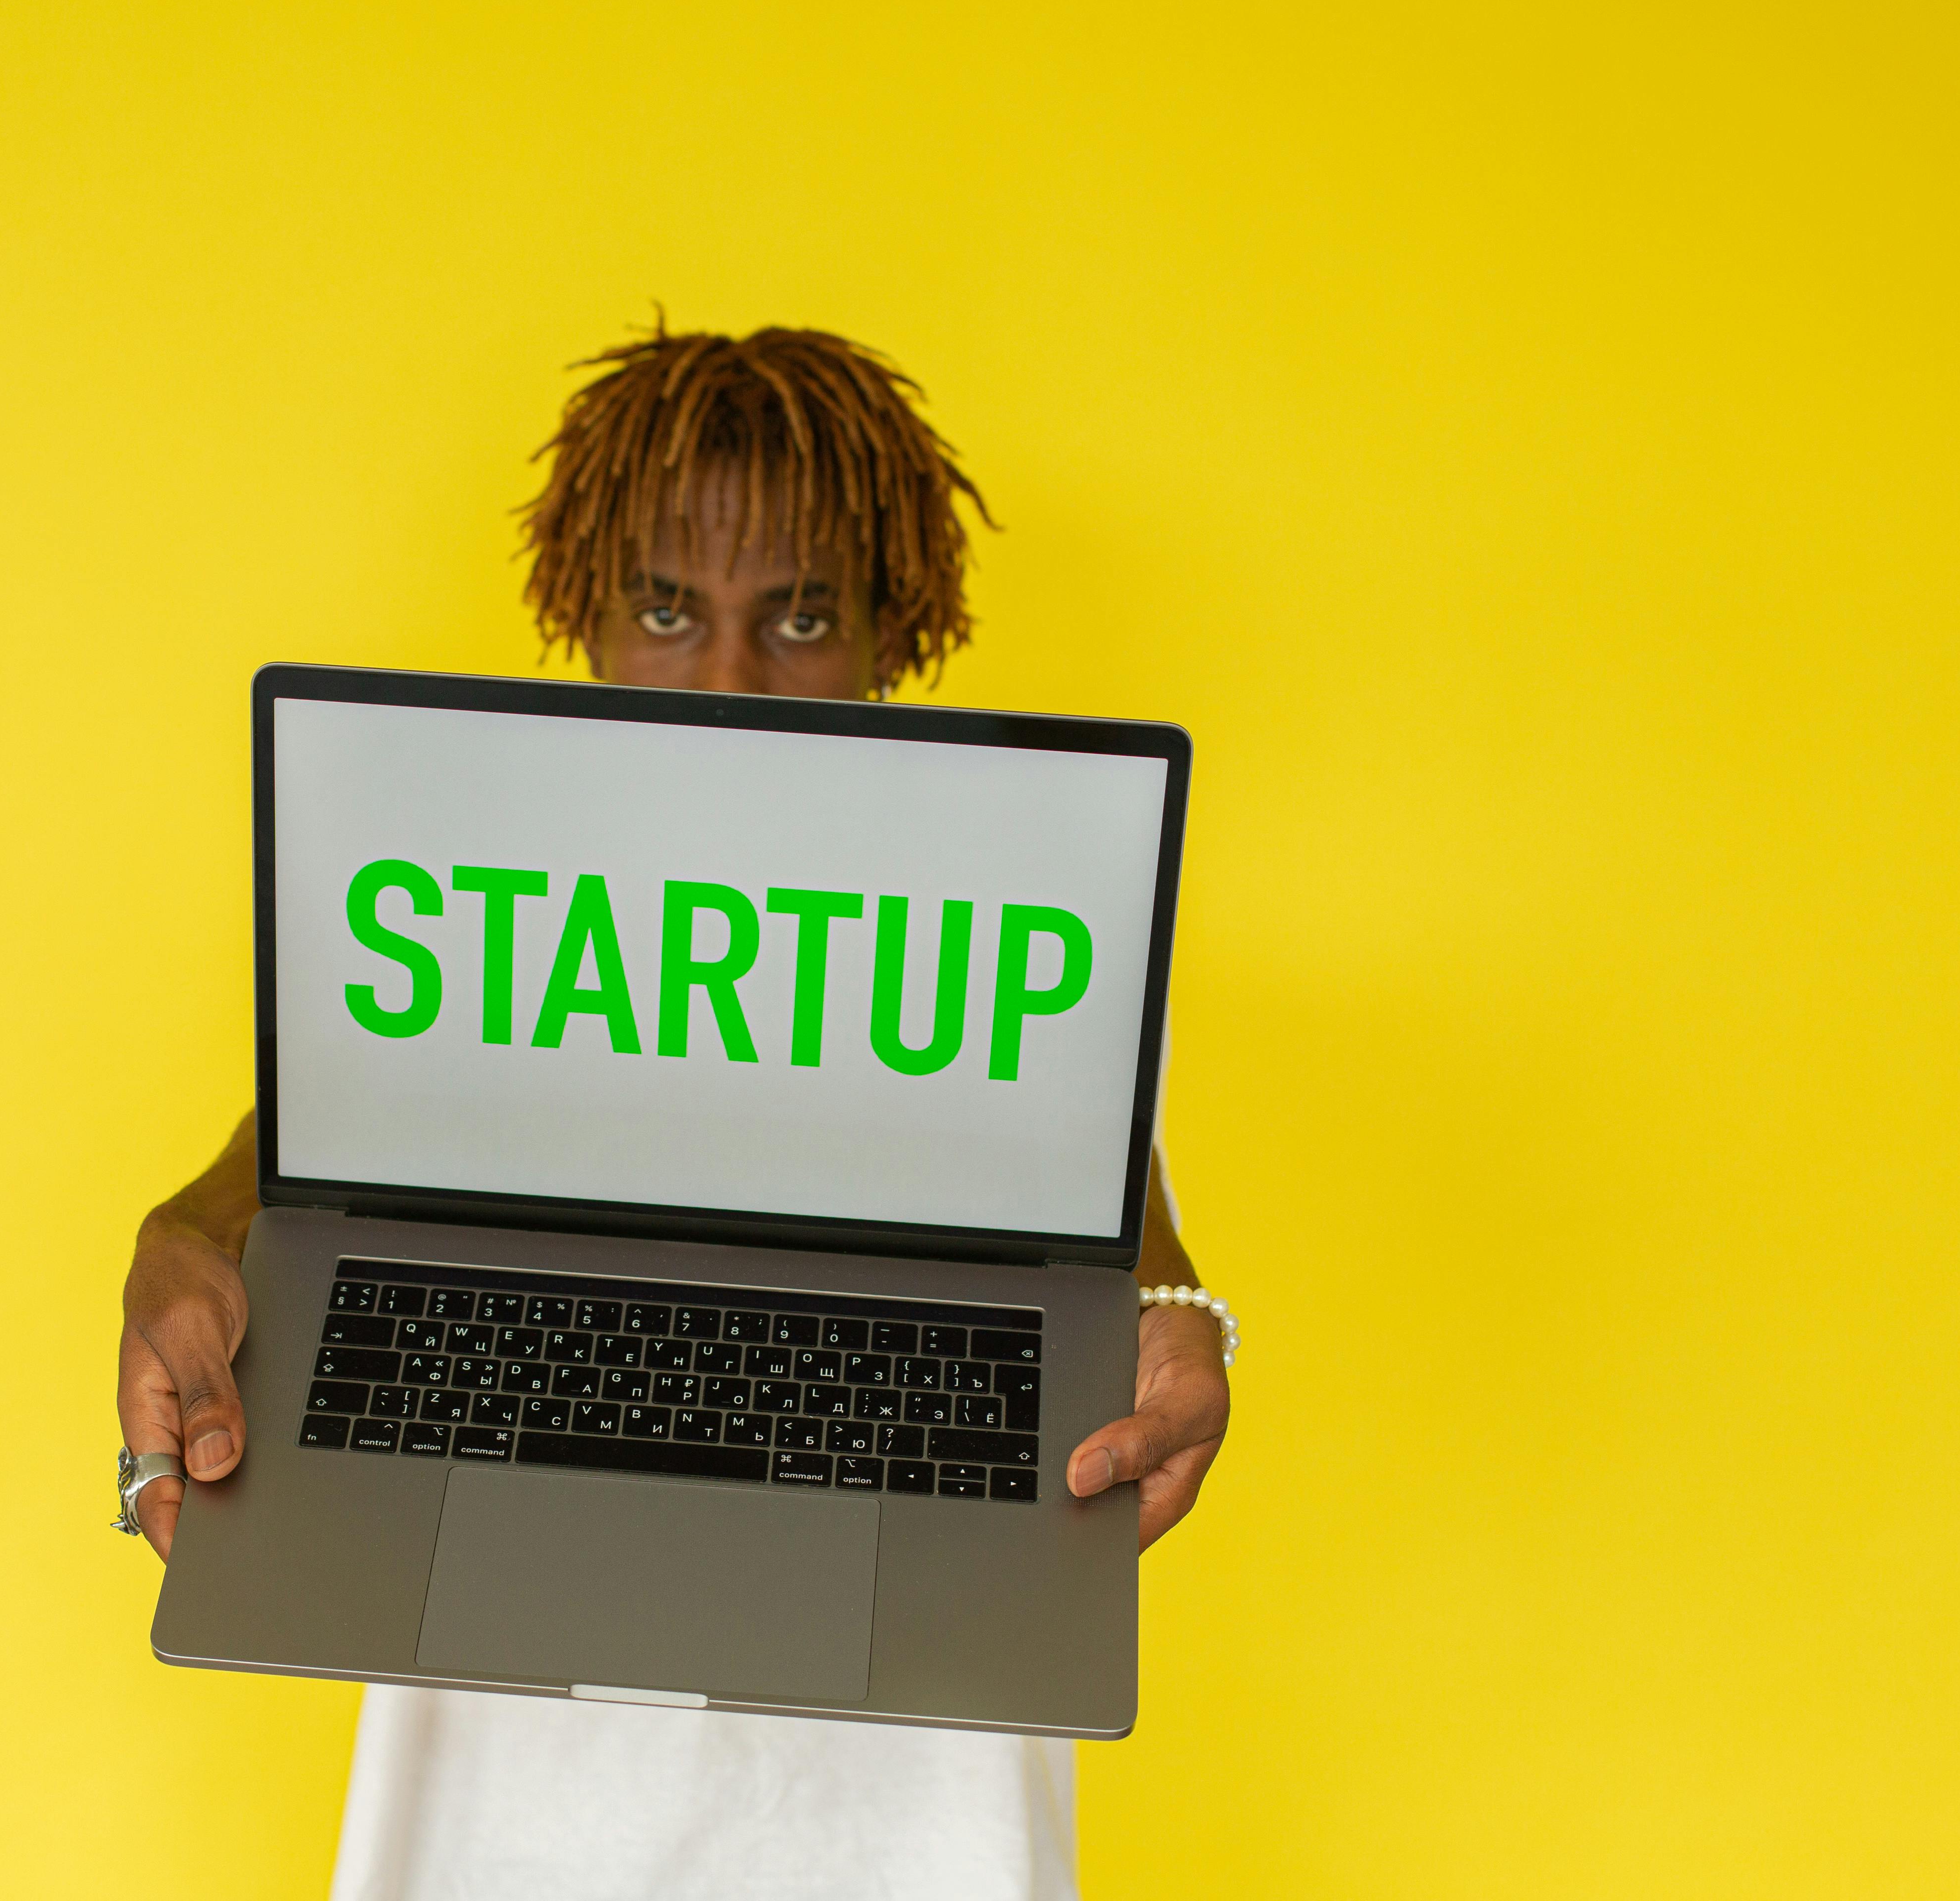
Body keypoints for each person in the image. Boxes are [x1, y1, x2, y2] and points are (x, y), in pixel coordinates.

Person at [118, 325, 1233, 1900]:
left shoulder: (1024, 902)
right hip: (515, 1791)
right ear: (582, 612)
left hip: (910, 1805)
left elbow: (1106, 1211)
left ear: (896, 630)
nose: (726, 685)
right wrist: (193, 1226)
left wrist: (1180, 1314)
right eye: (664, 610)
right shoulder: (482, 884)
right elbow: (337, 1132)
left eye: (801, 617)